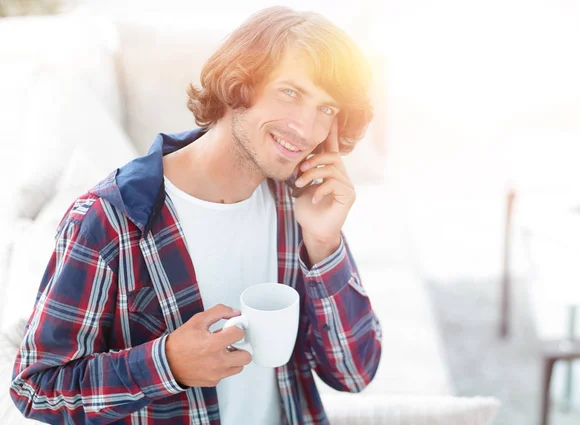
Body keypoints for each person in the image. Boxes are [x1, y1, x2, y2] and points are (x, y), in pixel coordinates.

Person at [10, 6, 382, 425]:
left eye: (327, 109)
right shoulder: (109, 221)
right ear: (240, 82)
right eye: (291, 92)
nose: (304, 126)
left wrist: (324, 245)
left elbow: (355, 373)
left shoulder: (298, 209)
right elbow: (36, 389)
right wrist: (166, 364)